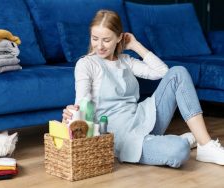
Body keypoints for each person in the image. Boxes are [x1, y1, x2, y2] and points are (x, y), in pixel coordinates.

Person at [62, 10, 224, 168]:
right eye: (95, 38)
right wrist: (72, 117)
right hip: (121, 135)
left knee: (178, 72)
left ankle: (206, 145)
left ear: (119, 38)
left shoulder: (126, 60)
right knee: (179, 151)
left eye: (106, 40)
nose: (99, 46)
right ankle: (174, 142)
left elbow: (163, 72)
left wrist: (136, 45)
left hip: (143, 117)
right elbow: (81, 103)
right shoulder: (86, 64)